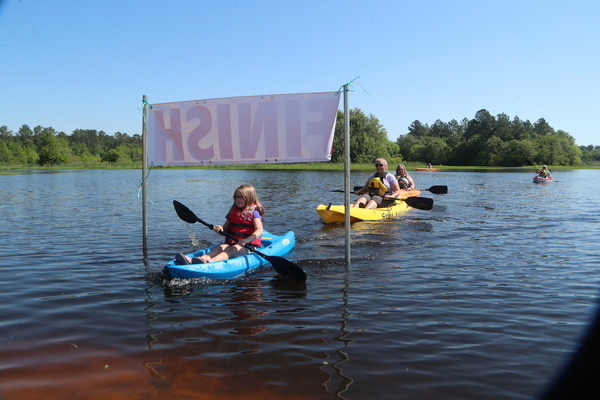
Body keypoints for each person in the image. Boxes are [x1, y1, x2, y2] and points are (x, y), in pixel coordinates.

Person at [176, 185, 264, 264]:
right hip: (232, 243)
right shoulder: (233, 211)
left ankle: (209, 262)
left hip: (248, 246)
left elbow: (259, 230)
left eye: (241, 197)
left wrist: (246, 240)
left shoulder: (254, 212)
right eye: (236, 197)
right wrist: (220, 228)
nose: (238, 199)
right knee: (220, 248)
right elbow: (225, 228)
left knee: (230, 249)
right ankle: (197, 259)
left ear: (249, 197)